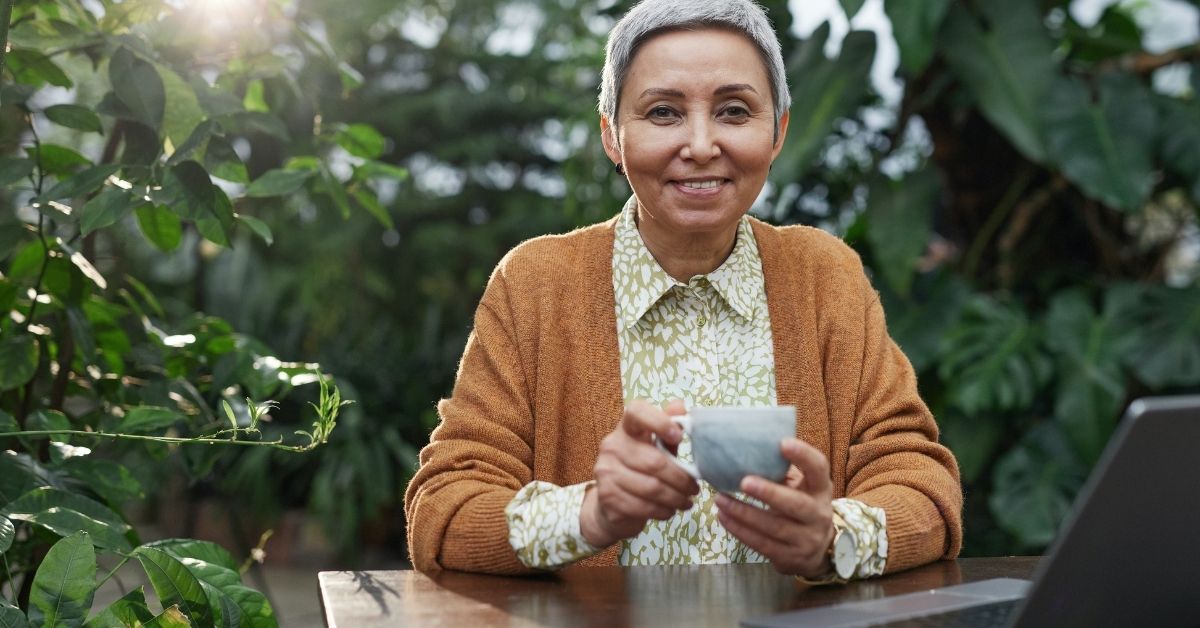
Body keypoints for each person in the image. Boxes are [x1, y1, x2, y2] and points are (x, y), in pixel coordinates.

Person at [404, 0, 962, 582]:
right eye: (664, 112)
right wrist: (589, 514)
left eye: (735, 110)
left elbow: (922, 484)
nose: (700, 145)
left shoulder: (825, 276)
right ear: (612, 137)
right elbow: (443, 511)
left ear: (778, 133)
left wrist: (833, 536)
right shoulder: (535, 285)